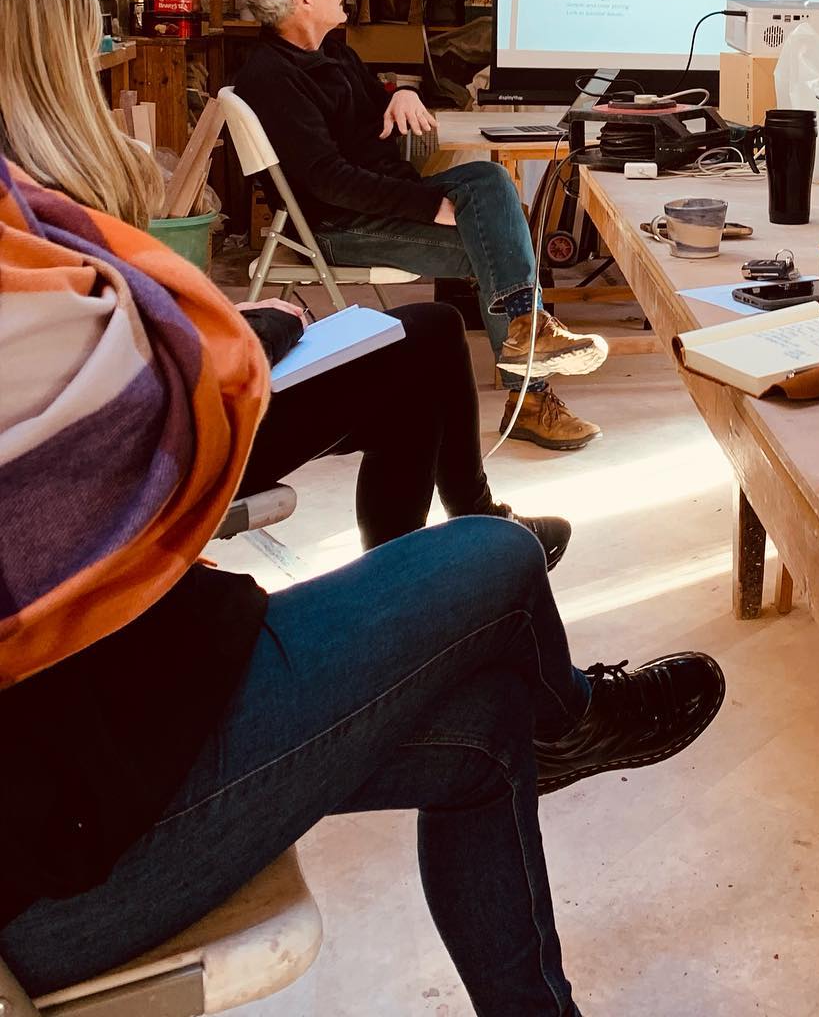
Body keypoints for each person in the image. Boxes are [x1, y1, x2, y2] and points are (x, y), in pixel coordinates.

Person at [0, 157, 725, 1007]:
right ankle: (572, 717)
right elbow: (174, 399)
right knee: (498, 555)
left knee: (489, 728)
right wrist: (239, 333)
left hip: (110, 716)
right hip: (54, 850)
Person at [0, 0, 568, 568]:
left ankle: (458, 536)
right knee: (457, 297)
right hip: (169, 440)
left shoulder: (48, 176)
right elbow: (124, 360)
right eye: (83, 32)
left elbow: (123, 323)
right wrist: (265, 328)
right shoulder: (43, 190)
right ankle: (470, 522)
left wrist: (403, 93)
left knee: (444, 317)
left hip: (168, 400)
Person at [232, 0, 603, 453]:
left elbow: (367, 111)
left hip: (378, 203)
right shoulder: (272, 78)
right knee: (501, 246)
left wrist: (399, 92)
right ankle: (532, 396)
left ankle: (527, 338)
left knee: (491, 182)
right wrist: (431, 205)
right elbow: (329, 181)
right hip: (336, 228)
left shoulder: (332, 53)